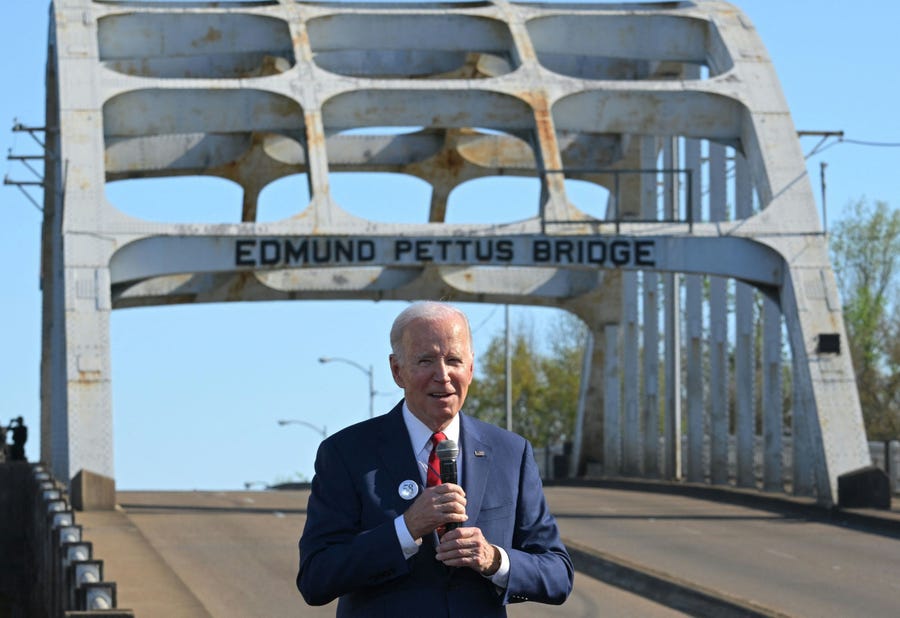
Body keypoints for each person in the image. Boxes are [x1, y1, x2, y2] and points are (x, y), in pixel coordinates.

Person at [297, 302, 574, 616]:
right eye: (425, 360)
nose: (442, 376)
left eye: (454, 360)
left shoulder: (511, 453)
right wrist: (406, 528)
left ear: (470, 368)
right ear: (397, 371)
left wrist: (493, 560)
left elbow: (558, 574)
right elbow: (316, 578)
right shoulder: (347, 453)